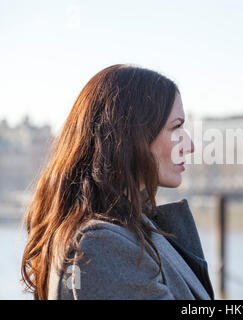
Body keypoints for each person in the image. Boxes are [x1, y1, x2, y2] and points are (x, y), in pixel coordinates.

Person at [20, 64, 214, 300]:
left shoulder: (125, 231)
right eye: (176, 128)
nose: (190, 146)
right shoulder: (100, 246)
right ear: (132, 135)